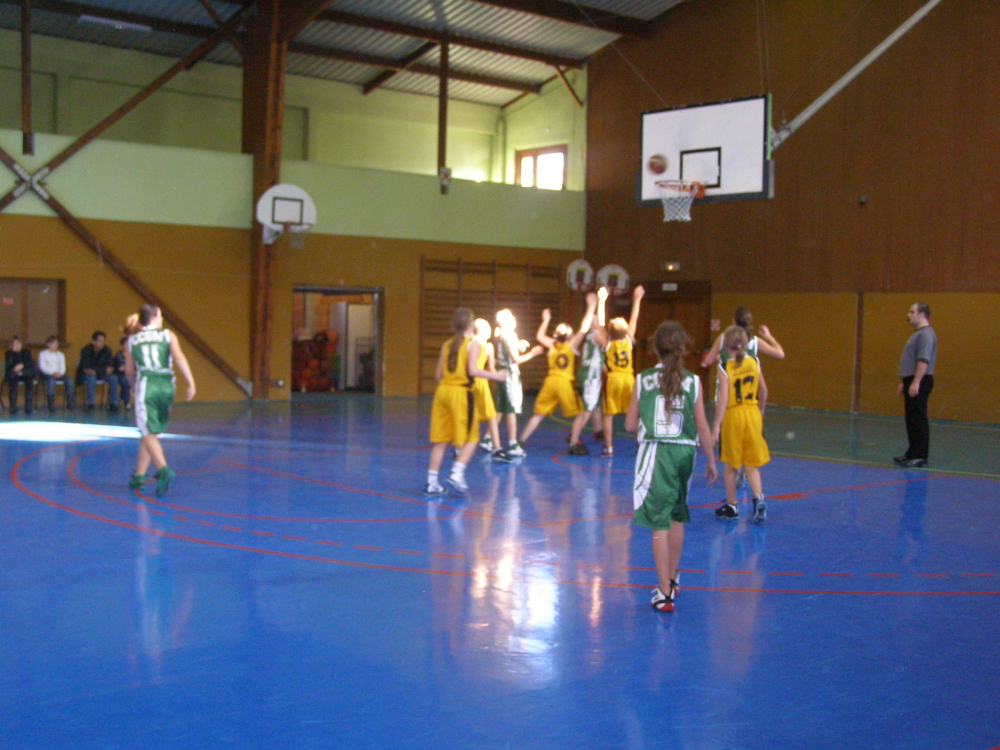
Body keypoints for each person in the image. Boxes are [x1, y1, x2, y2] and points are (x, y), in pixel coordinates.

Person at [626, 320, 717, 613]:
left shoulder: (643, 379)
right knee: (677, 514)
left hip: (657, 453)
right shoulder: (693, 381)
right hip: (685, 454)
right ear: (682, 348)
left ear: (655, 347)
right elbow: (702, 425)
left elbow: (629, 424)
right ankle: (672, 578)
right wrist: (712, 459)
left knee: (657, 523)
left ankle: (664, 593)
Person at [425, 308, 507, 495]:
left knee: (441, 441)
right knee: (472, 438)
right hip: (460, 393)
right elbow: (473, 371)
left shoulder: (446, 345)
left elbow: (438, 375)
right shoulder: (472, 344)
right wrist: (497, 376)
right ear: (471, 325)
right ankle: (456, 473)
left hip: (441, 393)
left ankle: (431, 483)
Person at [124, 305, 196, 496]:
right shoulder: (168, 335)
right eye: (161, 315)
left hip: (147, 385)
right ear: (155, 317)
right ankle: (139, 475)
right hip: (166, 385)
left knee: (146, 430)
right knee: (151, 431)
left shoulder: (132, 340)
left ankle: (163, 470)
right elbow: (179, 358)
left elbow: (129, 371)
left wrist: (132, 386)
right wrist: (190, 382)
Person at [517, 294, 598, 451]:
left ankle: (520, 441)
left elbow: (539, 336)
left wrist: (545, 319)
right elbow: (584, 327)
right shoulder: (571, 344)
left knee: (538, 415)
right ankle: (574, 443)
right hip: (564, 383)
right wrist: (591, 306)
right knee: (580, 414)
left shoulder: (552, 344)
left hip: (550, 381)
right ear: (569, 336)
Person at [711, 325, 770, 524]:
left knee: (730, 465)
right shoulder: (754, 361)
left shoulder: (725, 367)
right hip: (752, 412)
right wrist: (760, 409)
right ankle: (759, 498)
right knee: (750, 463)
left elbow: (723, 398)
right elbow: (764, 391)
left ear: (726, 345)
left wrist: (717, 424)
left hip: (733, 415)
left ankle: (732, 505)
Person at [701, 307, 784, 412]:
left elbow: (707, 361)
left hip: (727, 401)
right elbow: (780, 354)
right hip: (748, 403)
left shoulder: (723, 338)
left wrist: (717, 355)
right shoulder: (754, 341)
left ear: (733, 321)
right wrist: (769, 337)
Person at [600, 284, 644, 458]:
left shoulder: (608, 341)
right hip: (628, 379)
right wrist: (637, 299)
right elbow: (634, 319)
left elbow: (601, 322)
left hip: (613, 379)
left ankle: (608, 447)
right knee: (634, 413)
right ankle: (640, 444)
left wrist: (602, 300)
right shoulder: (627, 339)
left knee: (608, 415)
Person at [492, 309, 543, 458]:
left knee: (501, 408)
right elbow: (516, 359)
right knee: (511, 409)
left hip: (503, 371)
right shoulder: (509, 335)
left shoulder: (501, 334)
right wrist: (532, 353)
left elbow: (510, 351)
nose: (515, 318)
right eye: (512, 316)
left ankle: (490, 439)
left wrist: (519, 344)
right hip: (510, 374)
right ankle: (513, 444)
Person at [567, 287, 609, 456]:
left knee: (595, 405)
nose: (599, 322)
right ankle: (573, 441)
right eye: (596, 321)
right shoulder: (594, 335)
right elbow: (605, 340)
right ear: (593, 324)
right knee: (586, 410)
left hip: (589, 374)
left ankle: (599, 431)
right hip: (590, 377)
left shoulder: (591, 336)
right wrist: (602, 302)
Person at [894, 302, 936, 468]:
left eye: (912, 312)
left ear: (922, 314)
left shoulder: (926, 334)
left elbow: (923, 360)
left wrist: (916, 382)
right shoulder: (918, 334)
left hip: (920, 380)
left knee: (918, 419)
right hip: (912, 379)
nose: (908, 315)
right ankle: (912, 453)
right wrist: (905, 381)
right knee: (911, 419)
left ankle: (920, 455)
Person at [470, 318, 512, 463]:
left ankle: (461, 446)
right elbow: (479, 369)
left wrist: (491, 369)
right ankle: (496, 448)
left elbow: (487, 370)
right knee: (484, 416)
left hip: (475, 383)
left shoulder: (480, 345)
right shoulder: (479, 345)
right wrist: (495, 374)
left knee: (480, 415)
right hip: (476, 383)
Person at [76, 330, 120, 412]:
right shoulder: (85, 350)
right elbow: (86, 369)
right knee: (91, 378)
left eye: (103, 341)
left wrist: (96, 371)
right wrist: (103, 370)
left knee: (113, 378)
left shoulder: (107, 350)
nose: (102, 343)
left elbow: (110, 369)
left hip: (101, 374)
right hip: (87, 375)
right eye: (100, 341)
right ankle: (90, 404)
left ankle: (113, 403)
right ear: (94, 341)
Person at [37, 335, 75, 412]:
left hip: (59, 374)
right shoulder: (43, 354)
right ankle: (51, 405)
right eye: (53, 343)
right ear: (48, 344)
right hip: (47, 374)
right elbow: (42, 367)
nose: (56, 345)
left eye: (56, 343)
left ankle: (70, 404)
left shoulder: (61, 355)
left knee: (69, 381)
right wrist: (52, 373)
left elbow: (62, 366)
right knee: (51, 381)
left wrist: (60, 373)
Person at [4, 336, 36, 415]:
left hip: (25, 373)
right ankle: (13, 407)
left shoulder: (26, 352)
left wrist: (22, 365)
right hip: (13, 374)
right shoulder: (9, 353)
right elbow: (9, 365)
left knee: (29, 381)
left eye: (18, 343)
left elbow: (31, 362)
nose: (17, 345)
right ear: (11, 345)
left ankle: (28, 407)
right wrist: (14, 353)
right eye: (15, 344)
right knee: (13, 383)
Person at [112, 336, 132, 409]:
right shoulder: (117, 356)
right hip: (119, 375)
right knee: (125, 381)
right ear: (121, 346)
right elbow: (116, 368)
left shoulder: (132, 356)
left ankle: (121, 397)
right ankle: (126, 402)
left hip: (130, 374)